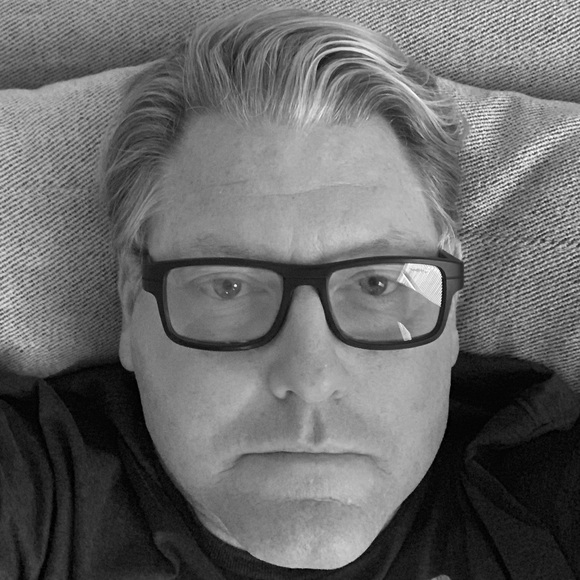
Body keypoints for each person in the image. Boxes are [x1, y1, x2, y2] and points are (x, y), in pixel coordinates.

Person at [1, 8, 579, 580]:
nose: (310, 377)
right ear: (132, 299)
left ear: (451, 309)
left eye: (376, 284)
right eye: (228, 286)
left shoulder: (541, 488)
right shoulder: (37, 487)